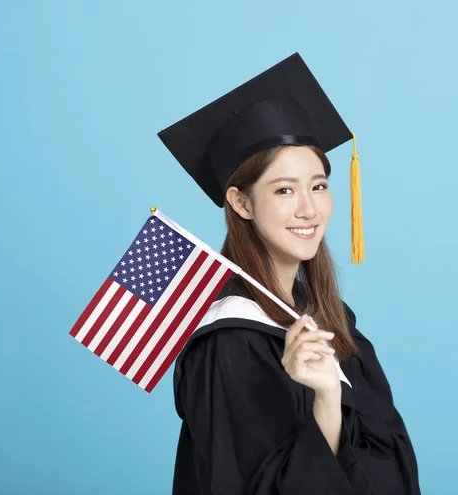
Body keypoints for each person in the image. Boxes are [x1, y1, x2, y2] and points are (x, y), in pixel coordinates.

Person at [158, 53, 422, 494]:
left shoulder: (330, 315)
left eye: (318, 185)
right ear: (241, 203)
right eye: (284, 189)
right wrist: (326, 404)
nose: (309, 209)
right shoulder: (228, 343)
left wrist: (330, 399)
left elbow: (390, 458)